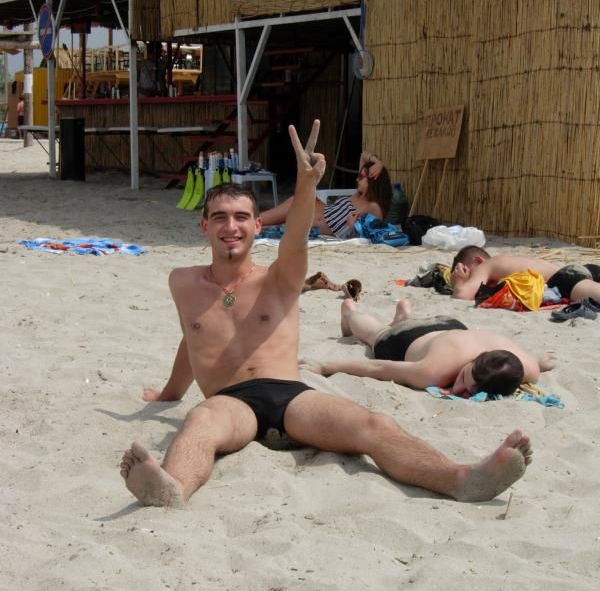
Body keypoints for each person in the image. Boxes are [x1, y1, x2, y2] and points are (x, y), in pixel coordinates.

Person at [120, 121, 533, 508]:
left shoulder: (279, 278)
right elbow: (193, 337)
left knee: (373, 425)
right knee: (199, 422)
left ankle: (462, 479)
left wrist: (306, 184)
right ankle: (173, 488)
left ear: (258, 226)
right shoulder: (183, 282)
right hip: (229, 404)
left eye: (241, 217)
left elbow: (297, 237)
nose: (231, 226)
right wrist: (169, 393)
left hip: (289, 396)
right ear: (204, 227)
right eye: (220, 218)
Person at [301, 298, 555, 396]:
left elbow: (534, 363)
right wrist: (325, 366)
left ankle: (404, 316)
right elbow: (378, 367)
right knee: (377, 334)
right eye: (464, 378)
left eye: (470, 391)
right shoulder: (433, 371)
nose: (459, 389)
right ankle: (350, 313)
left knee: (400, 331)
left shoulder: (527, 368)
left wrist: (541, 362)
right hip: (408, 338)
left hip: (451, 325)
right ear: (472, 362)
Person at [258, 151, 392, 238]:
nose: (357, 179)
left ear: (373, 179)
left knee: (261, 226)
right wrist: (378, 162)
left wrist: (352, 227)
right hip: (309, 209)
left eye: (361, 177)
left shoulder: (373, 207)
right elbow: (363, 154)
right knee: (260, 222)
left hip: (310, 224)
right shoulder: (358, 194)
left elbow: (372, 234)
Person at [451, 245, 600, 304]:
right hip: (577, 272)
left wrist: (458, 282)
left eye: (467, 271)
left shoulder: (485, 266)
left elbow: (462, 296)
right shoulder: (502, 264)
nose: (470, 277)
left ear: (477, 261)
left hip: (566, 279)